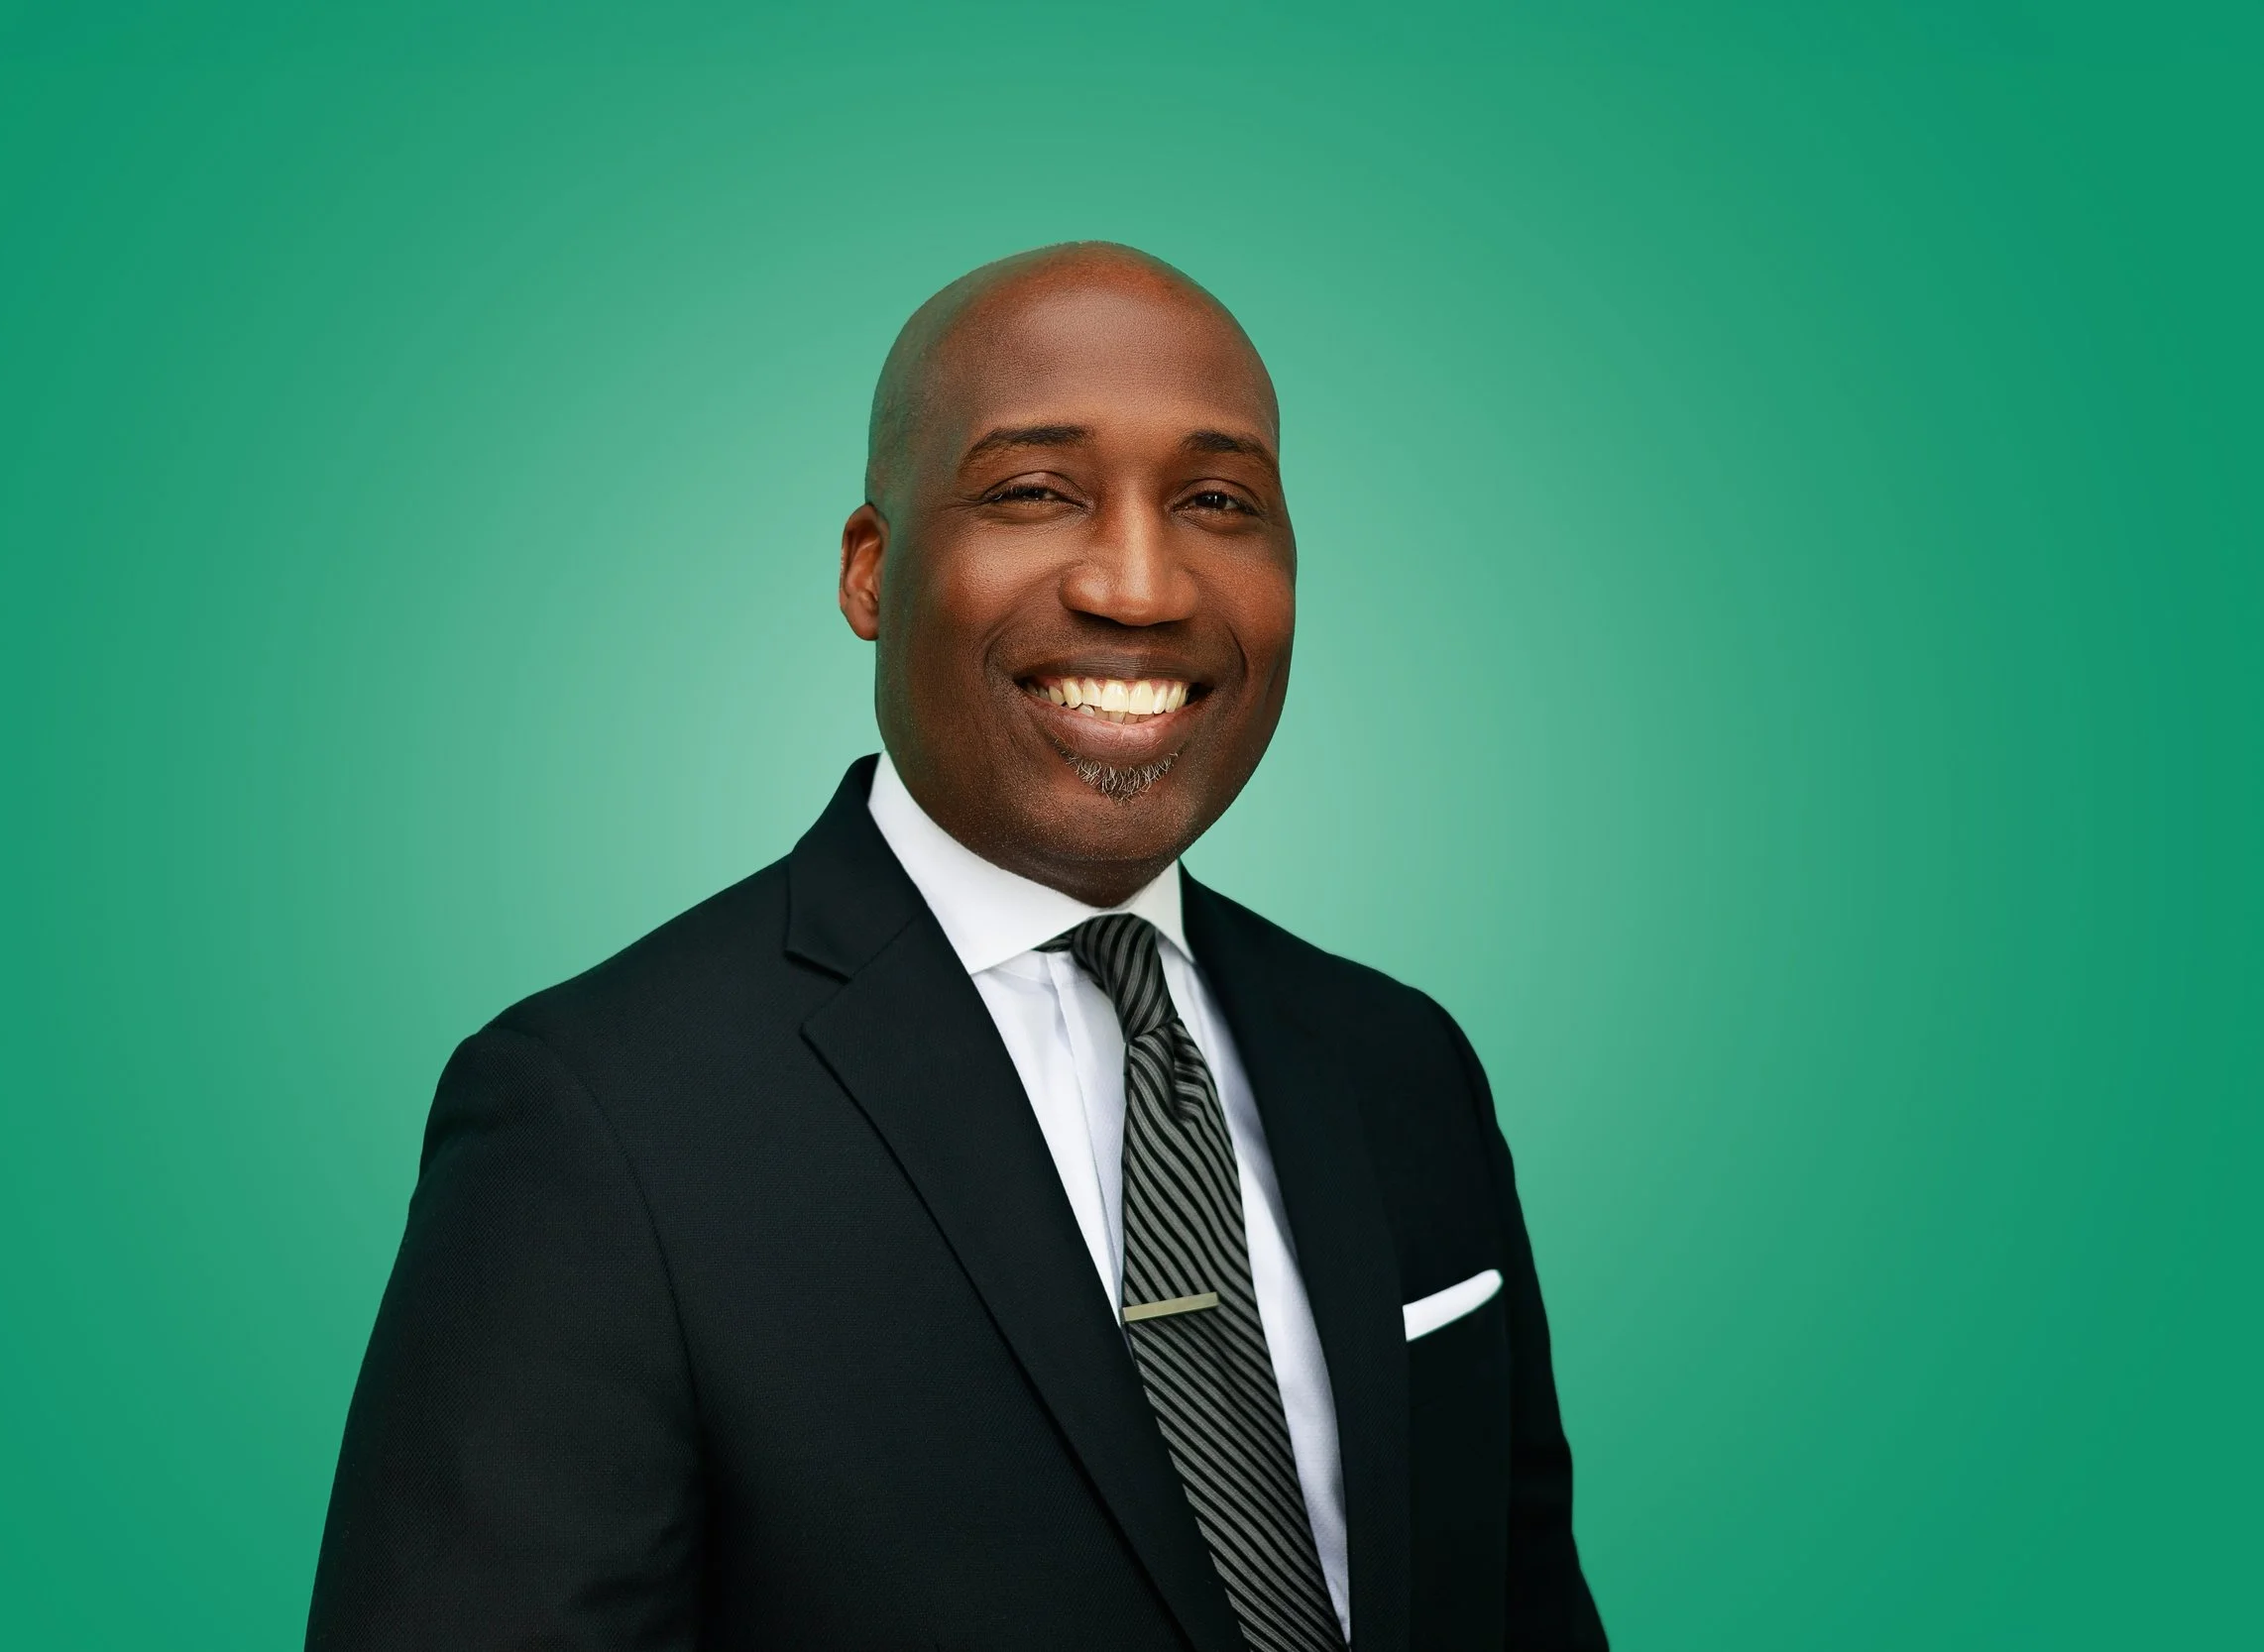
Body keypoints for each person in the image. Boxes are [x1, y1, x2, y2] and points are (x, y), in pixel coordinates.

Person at [306, 242, 1608, 1652]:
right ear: (873, 570)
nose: (1138, 584)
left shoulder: (1402, 1063)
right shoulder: (596, 1120)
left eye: (1218, 499)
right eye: (1035, 491)